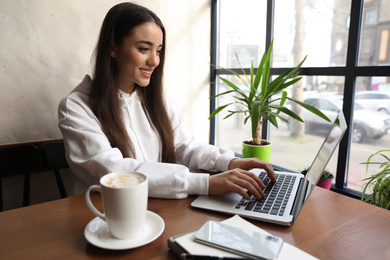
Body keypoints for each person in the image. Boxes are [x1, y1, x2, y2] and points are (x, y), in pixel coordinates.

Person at [58, 2, 275, 200]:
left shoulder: (154, 100)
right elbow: (114, 170)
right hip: (106, 215)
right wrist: (205, 183)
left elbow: (183, 145)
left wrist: (229, 162)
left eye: (158, 51)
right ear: (113, 48)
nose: (154, 61)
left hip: (159, 208)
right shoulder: (76, 107)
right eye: (144, 49)